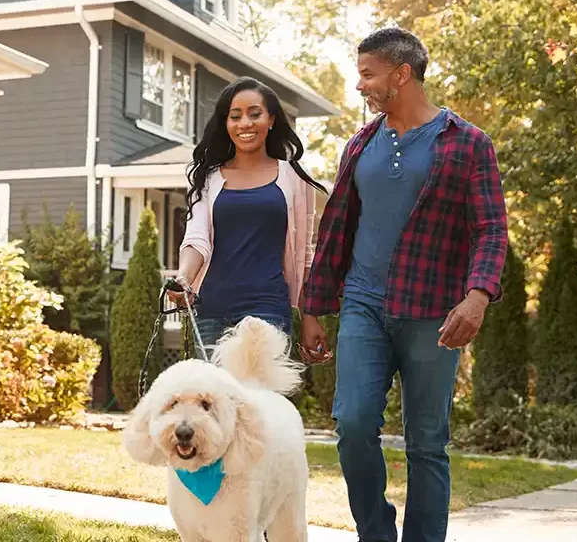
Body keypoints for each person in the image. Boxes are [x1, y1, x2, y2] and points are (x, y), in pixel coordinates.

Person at [299, 27, 509, 542]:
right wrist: (312, 307)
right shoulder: (361, 144)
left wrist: (477, 296)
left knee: (427, 442)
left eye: (368, 75)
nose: (361, 86)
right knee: (351, 425)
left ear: (401, 74)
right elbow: (336, 229)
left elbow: (490, 228)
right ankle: (375, 533)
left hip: (434, 311)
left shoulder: (468, 143)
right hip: (364, 305)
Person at [168, 76, 327, 351]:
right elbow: (196, 239)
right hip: (211, 312)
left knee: (260, 394)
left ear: (272, 119)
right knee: (215, 395)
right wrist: (184, 277)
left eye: (255, 114)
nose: (245, 124)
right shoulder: (208, 178)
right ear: (226, 123)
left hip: (268, 311)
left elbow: (304, 256)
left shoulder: (295, 178)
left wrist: (309, 317)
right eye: (235, 116)